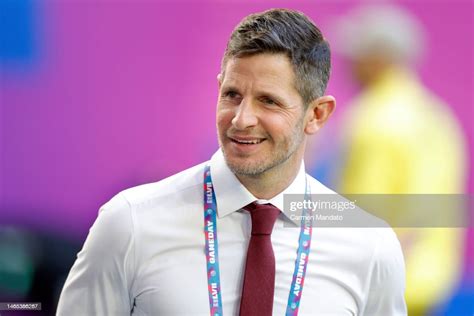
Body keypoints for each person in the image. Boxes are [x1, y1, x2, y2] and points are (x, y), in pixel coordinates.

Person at [57, 9, 406, 315]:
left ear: (316, 114)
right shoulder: (130, 223)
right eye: (232, 95)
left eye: (268, 101)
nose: (241, 119)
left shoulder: (370, 245)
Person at [331, 5, 467, 315]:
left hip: (381, 288)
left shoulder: (371, 118)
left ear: (378, 59)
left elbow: (362, 212)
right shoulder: (439, 118)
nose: (347, 63)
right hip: (432, 285)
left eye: (357, 54)